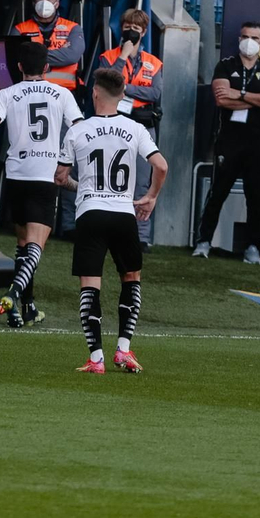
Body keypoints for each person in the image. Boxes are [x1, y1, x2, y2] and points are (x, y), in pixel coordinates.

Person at [0, 41, 83, 327]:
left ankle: (25, 308)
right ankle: (13, 293)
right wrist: (65, 161)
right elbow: (79, 131)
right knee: (35, 247)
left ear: (19, 67)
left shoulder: (8, 93)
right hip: (45, 176)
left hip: (17, 176)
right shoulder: (62, 93)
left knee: (23, 244)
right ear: (47, 68)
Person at [55, 67, 168, 374]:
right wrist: (151, 196)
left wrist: (86, 188)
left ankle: (96, 359)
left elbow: (61, 177)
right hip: (123, 213)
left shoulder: (78, 130)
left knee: (90, 286)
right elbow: (161, 166)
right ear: (122, 96)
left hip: (90, 213)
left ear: (95, 93)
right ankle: (124, 350)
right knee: (131, 278)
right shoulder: (135, 129)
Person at [194, 21, 260, 262]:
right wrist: (255, 99)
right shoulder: (225, 65)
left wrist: (240, 94)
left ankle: (253, 246)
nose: (249, 41)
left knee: (256, 197)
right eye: (245, 36)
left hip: (258, 141)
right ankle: (203, 241)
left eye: (255, 37)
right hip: (229, 140)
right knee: (218, 193)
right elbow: (222, 99)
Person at [98, 8, 163, 245]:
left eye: (136, 29)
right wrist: (123, 57)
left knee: (141, 183)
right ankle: (107, 233)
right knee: (110, 179)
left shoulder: (153, 63)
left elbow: (155, 92)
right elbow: (107, 84)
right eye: (127, 27)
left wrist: (124, 88)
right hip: (113, 124)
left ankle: (141, 237)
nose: (131, 32)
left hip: (143, 124)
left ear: (144, 32)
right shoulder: (108, 56)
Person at [11, 0, 84, 92]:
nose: (44, 2)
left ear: (57, 4)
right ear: (33, 2)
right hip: (30, 91)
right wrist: (59, 53)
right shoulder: (20, 30)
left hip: (65, 91)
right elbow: (14, 56)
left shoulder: (73, 28)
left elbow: (72, 56)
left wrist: (30, 55)